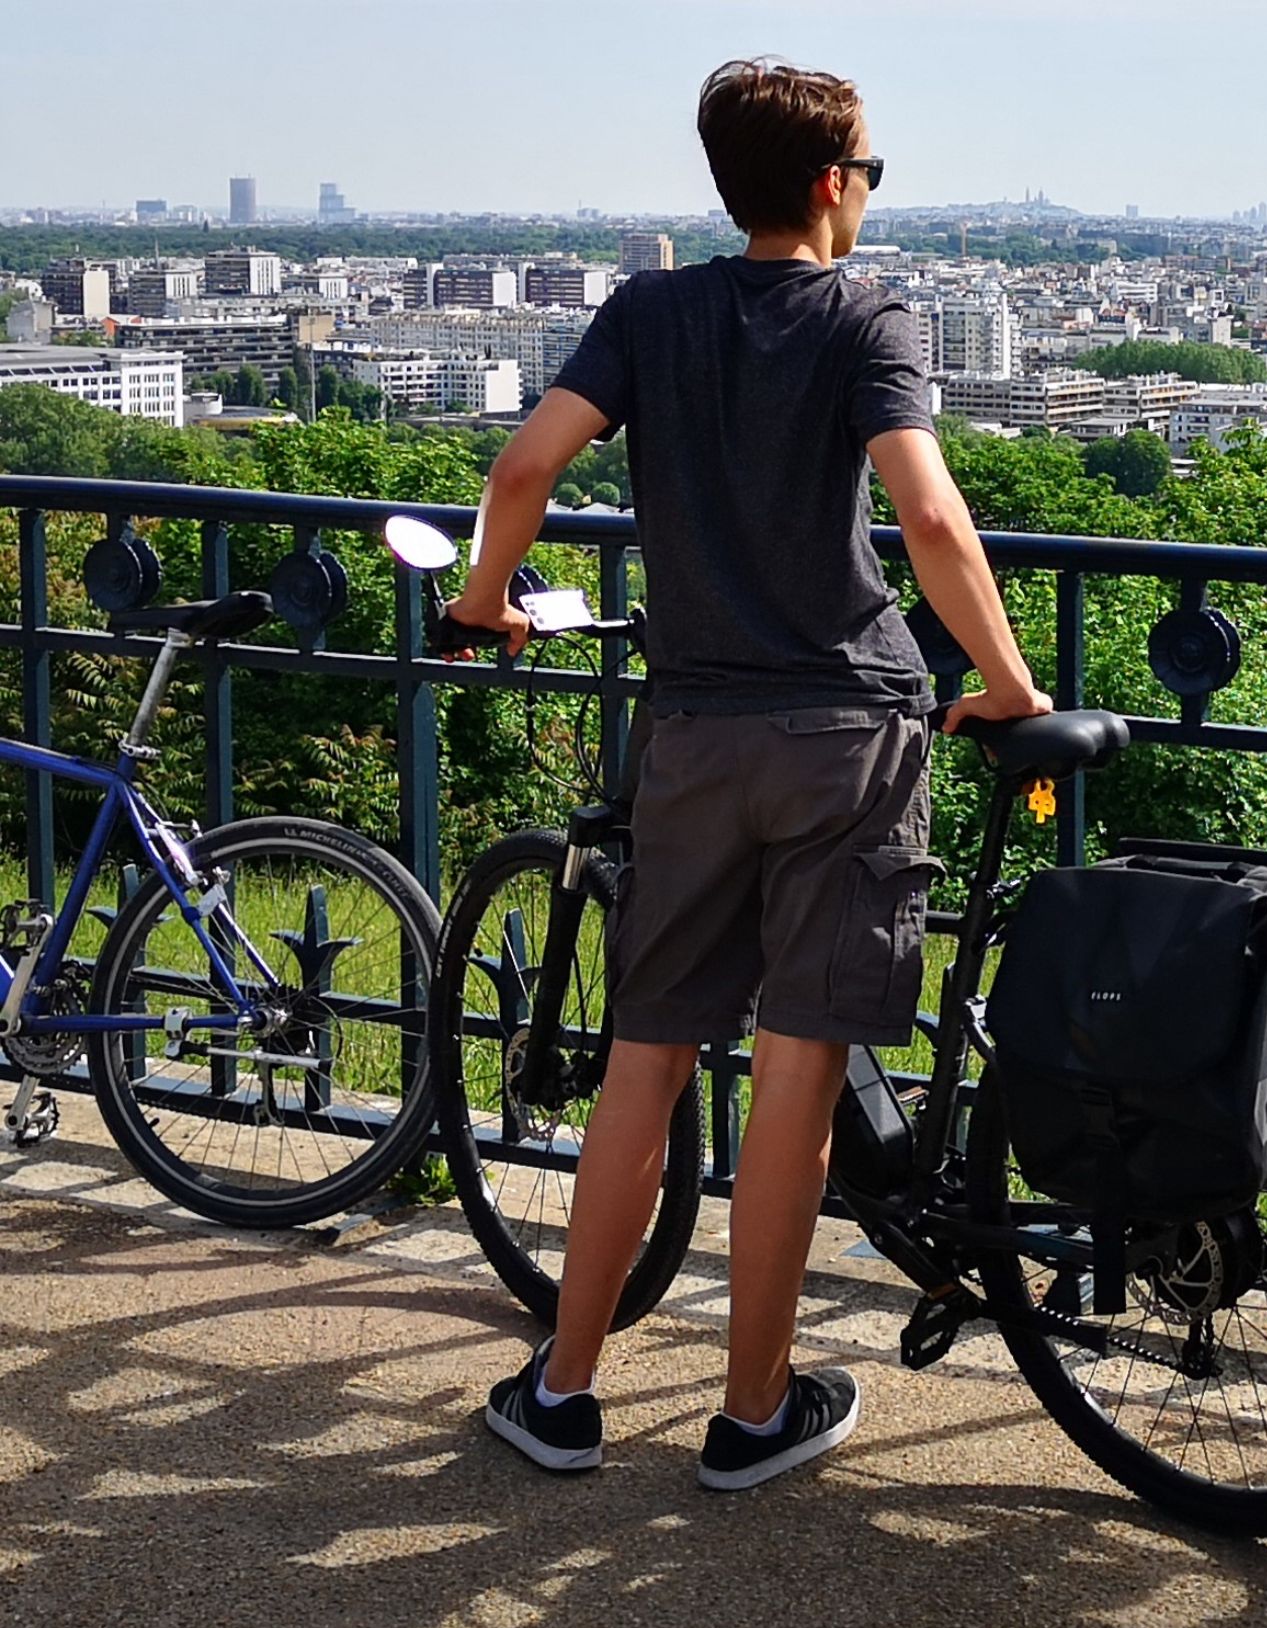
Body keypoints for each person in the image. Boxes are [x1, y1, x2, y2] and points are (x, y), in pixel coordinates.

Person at [446, 57, 1050, 1490]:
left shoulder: (653, 312)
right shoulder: (868, 318)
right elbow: (928, 514)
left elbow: (527, 463)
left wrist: (487, 602)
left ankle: (567, 1389)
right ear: (835, 185)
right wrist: (1010, 681)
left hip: (699, 735)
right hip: (848, 729)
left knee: (643, 1066)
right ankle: (751, 1409)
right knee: (796, 1068)